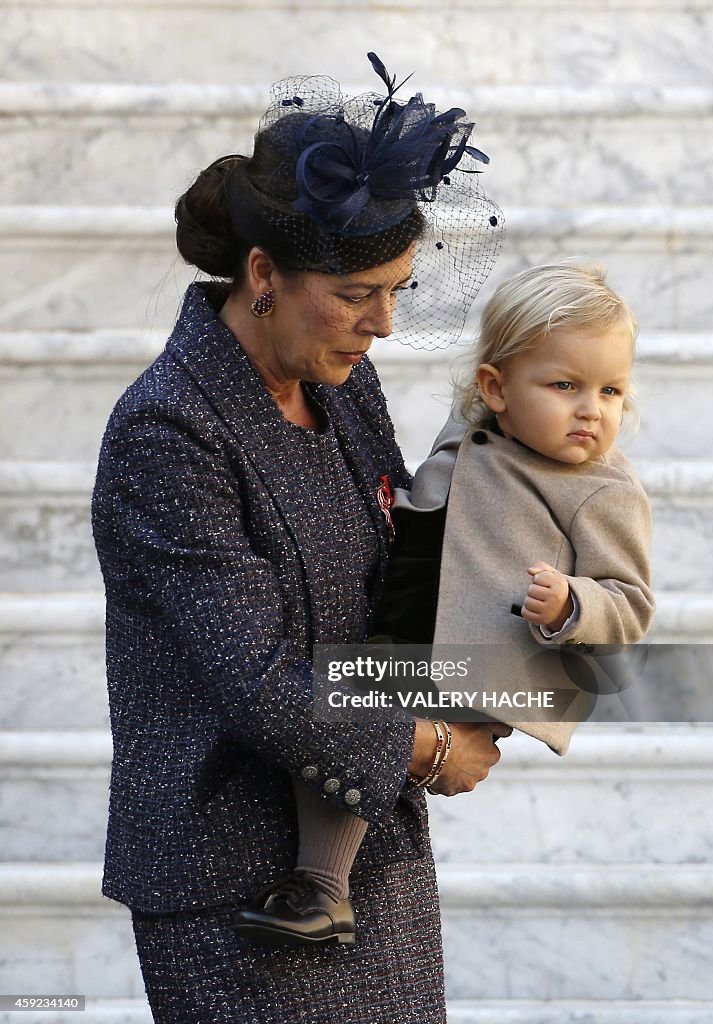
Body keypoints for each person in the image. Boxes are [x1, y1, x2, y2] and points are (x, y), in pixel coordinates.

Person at [91, 53, 506, 1024]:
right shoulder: (171, 427)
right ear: (263, 273)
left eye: (397, 288)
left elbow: (401, 559)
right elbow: (257, 679)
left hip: (370, 848)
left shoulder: (339, 381)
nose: (383, 322)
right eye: (359, 291)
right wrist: (426, 747)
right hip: (238, 880)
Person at [236, 261, 656, 946]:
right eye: (564, 385)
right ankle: (323, 891)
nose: (591, 409)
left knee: (349, 710)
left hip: (491, 657)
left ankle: (320, 886)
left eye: (611, 390)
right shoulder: (476, 434)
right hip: (415, 626)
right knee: (335, 703)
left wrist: (570, 602)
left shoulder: (601, 486)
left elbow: (630, 601)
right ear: (494, 388)